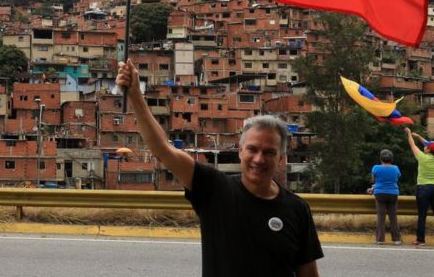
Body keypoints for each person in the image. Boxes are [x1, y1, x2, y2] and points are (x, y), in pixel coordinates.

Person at [116, 59, 323, 277]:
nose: (259, 159)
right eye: (252, 149)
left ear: (281, 158)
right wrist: (135, 95)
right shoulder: (214, 188)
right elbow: (163, 149)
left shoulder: (297, 209)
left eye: (269, 152)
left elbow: (308, 274)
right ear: (240, 151)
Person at [403, 127, 434, 247]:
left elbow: (412, 145)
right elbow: (431, 144)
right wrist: (419, 137)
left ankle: (420, 240)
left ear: (428, 150)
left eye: (426, 147)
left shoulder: (422, 157)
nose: (425, 146)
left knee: (422, 215)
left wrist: (410, 135)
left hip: (424, 189)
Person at [368, 149, 401, 245]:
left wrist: (373, 188)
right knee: (393, 216)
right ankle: (396, 239)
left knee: (381, 217)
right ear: (391, 159)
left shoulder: (375, 168)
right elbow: (396, 179)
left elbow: (374, 180)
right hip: (393, 193)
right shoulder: (395, 168)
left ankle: (380, 239)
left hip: (380, 193)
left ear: (381, 159)